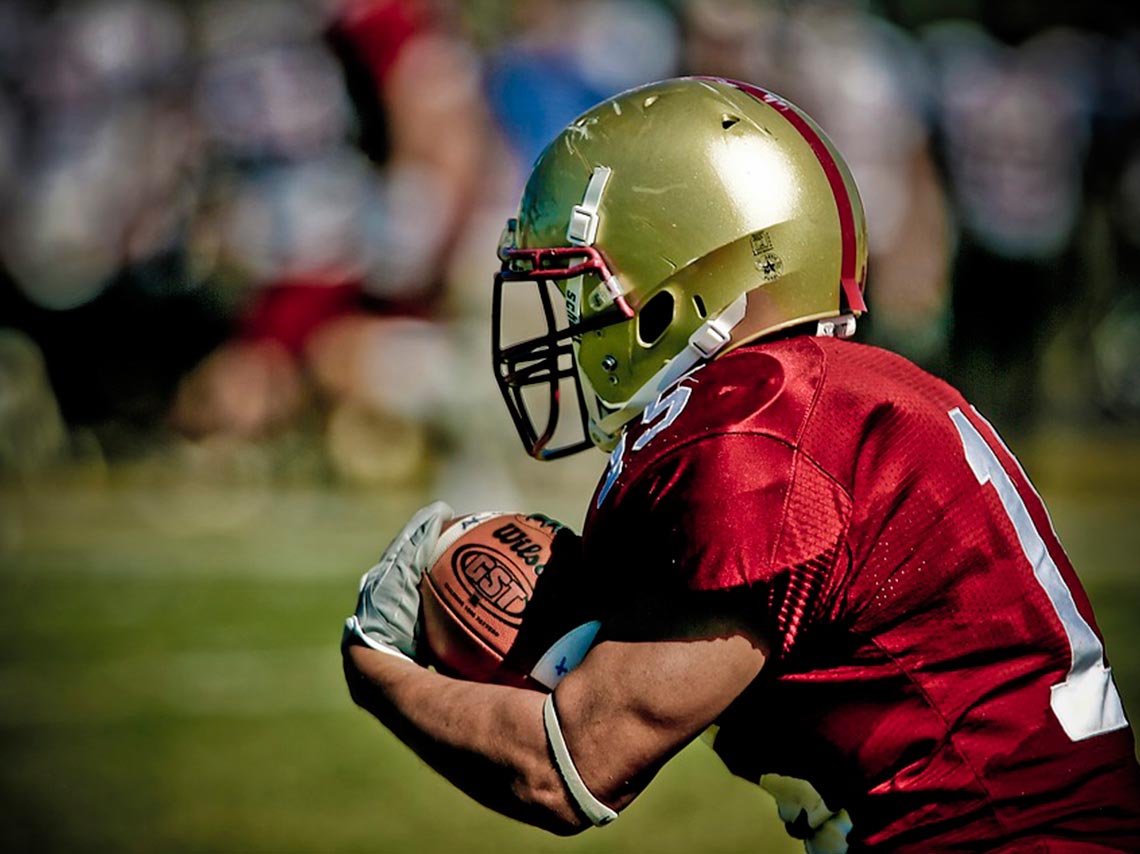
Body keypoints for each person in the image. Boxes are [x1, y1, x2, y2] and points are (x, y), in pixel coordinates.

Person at [341, 78, 1140, 851]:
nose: (574, 329)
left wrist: (376, 663)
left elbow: (570, 766)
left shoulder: (757, 432)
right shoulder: (819, 398)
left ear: (675, 284)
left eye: (588, 293)